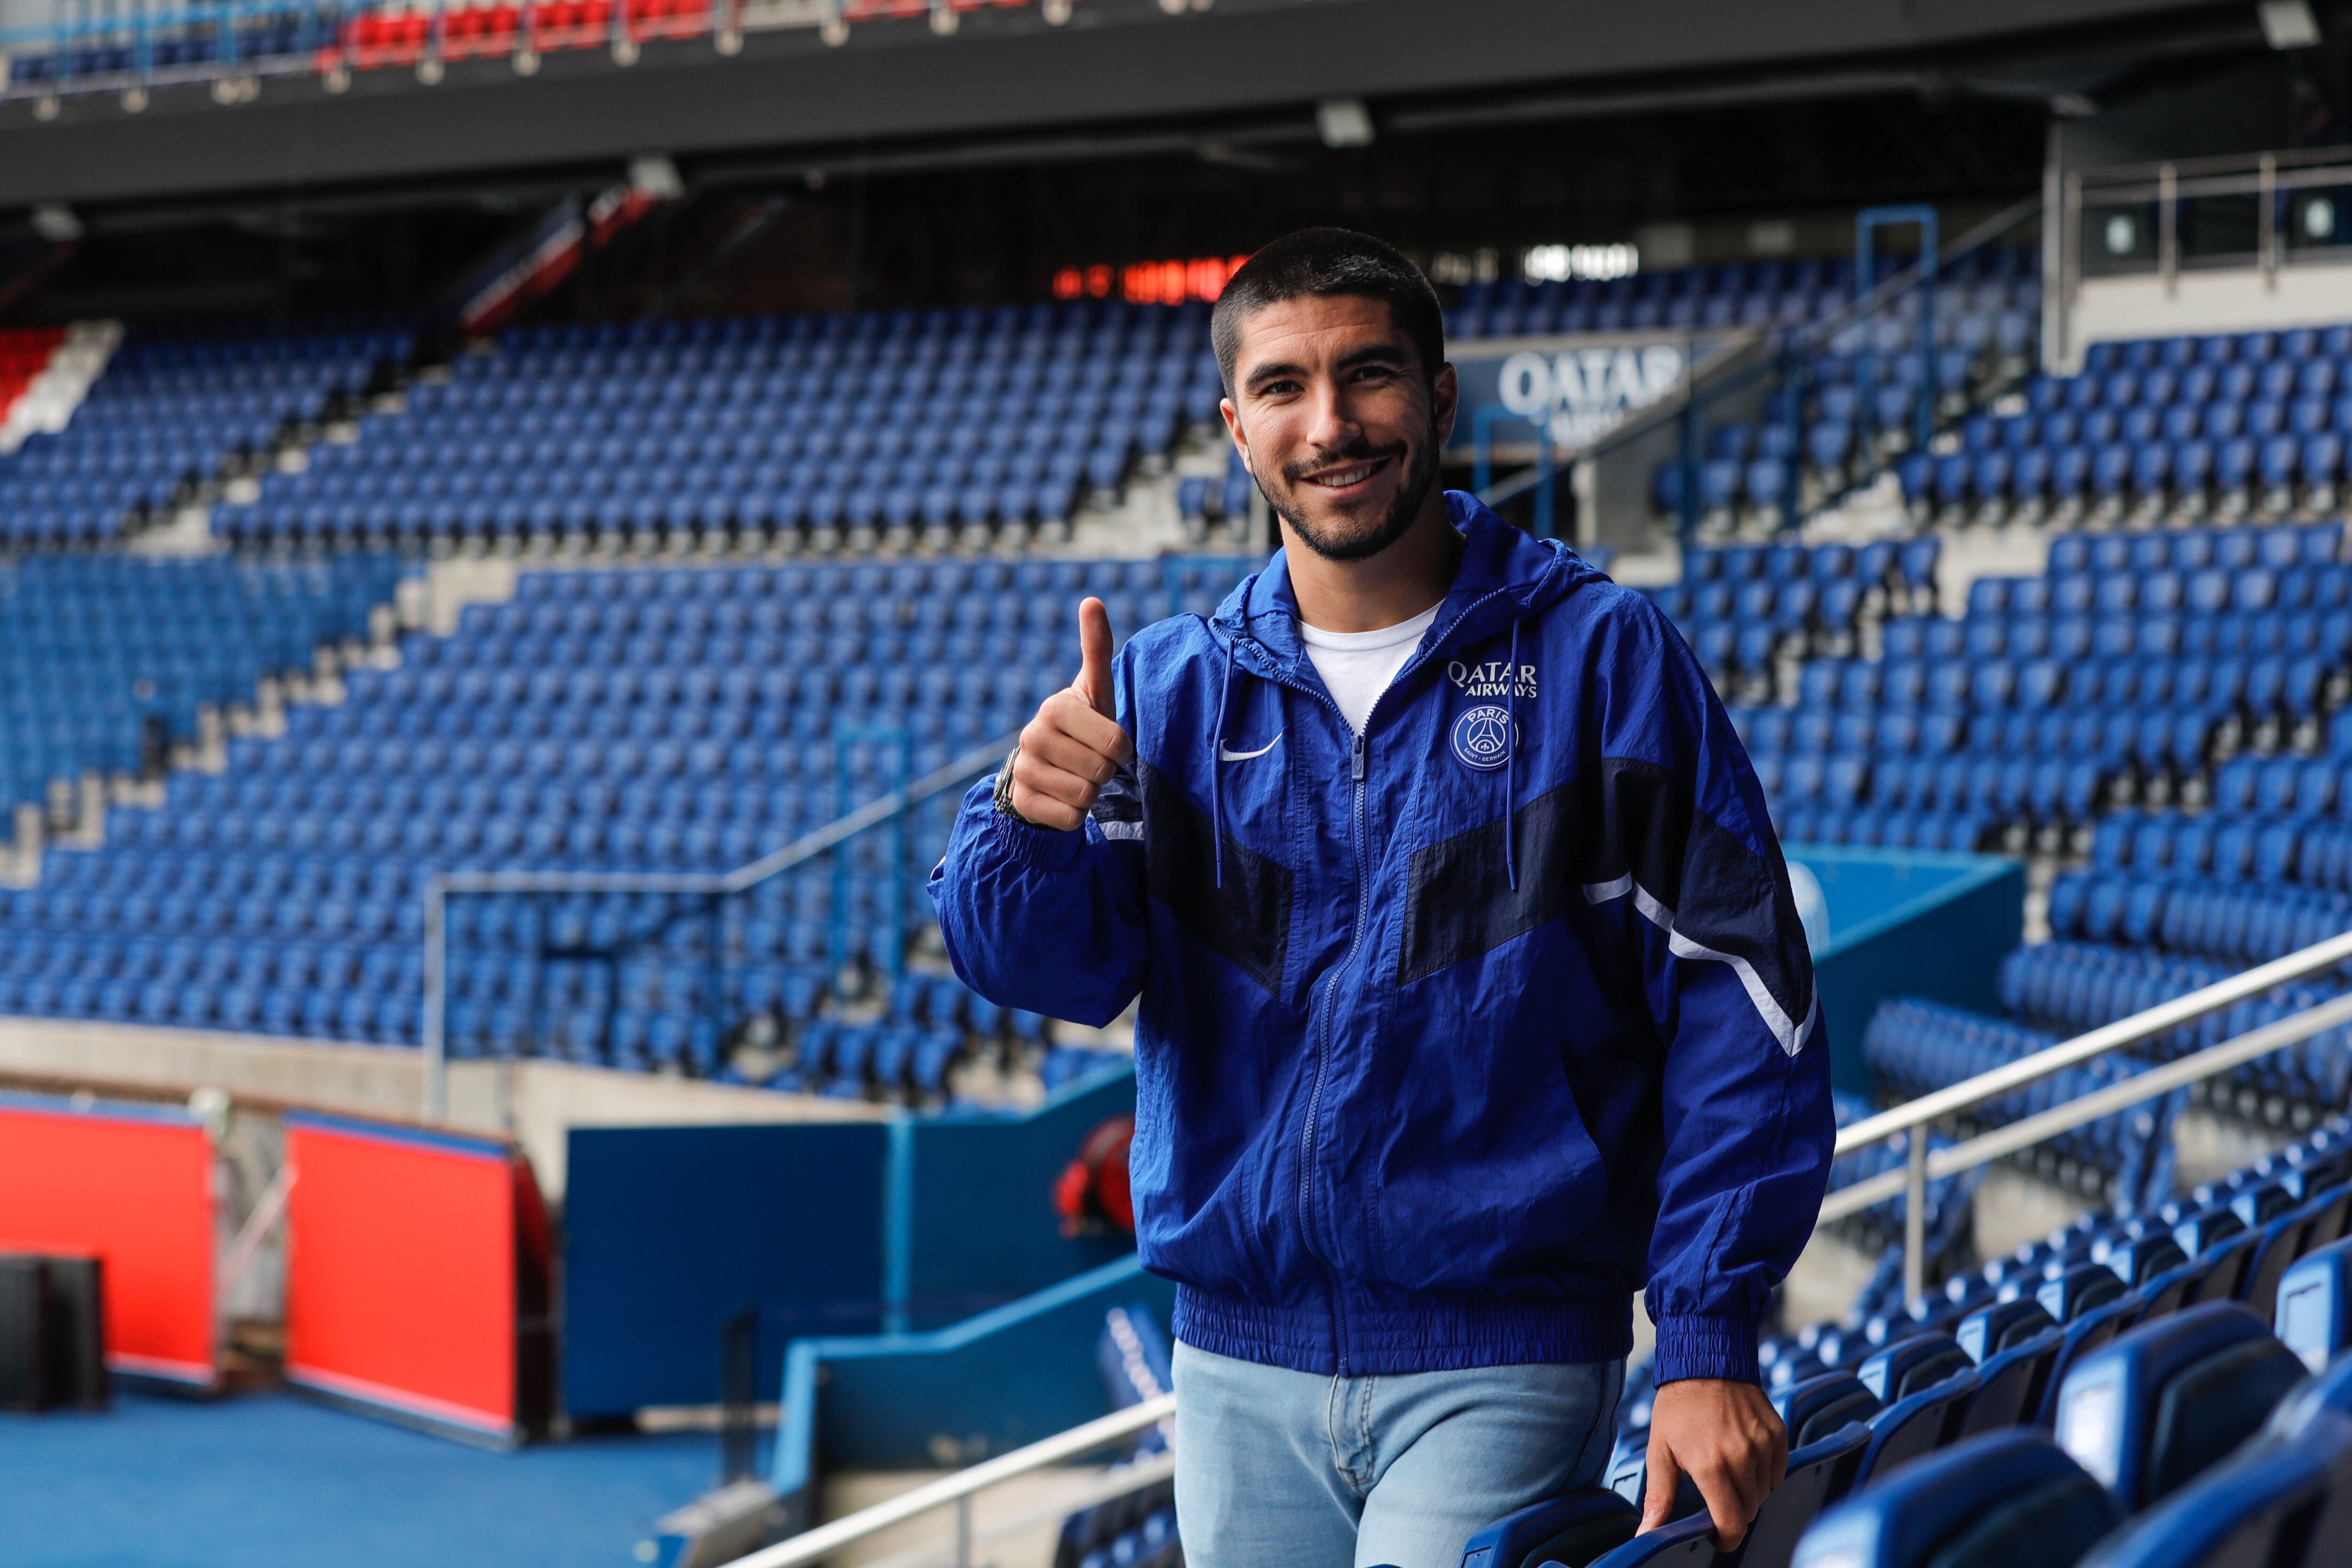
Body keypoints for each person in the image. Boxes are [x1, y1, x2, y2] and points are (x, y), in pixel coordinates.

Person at [930, 227, 1834, 1568]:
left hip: (1502, 1348)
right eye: (1287, 387)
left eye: (1370, 376)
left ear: (1442, 398)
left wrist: (1706, 1334)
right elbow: (1046, 969)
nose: (1333, 423)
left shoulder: (1600, 660)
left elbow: (1742, 1004)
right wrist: (1030, 823)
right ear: (1238, 428)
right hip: (1236, 1366)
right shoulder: (1170, 694)